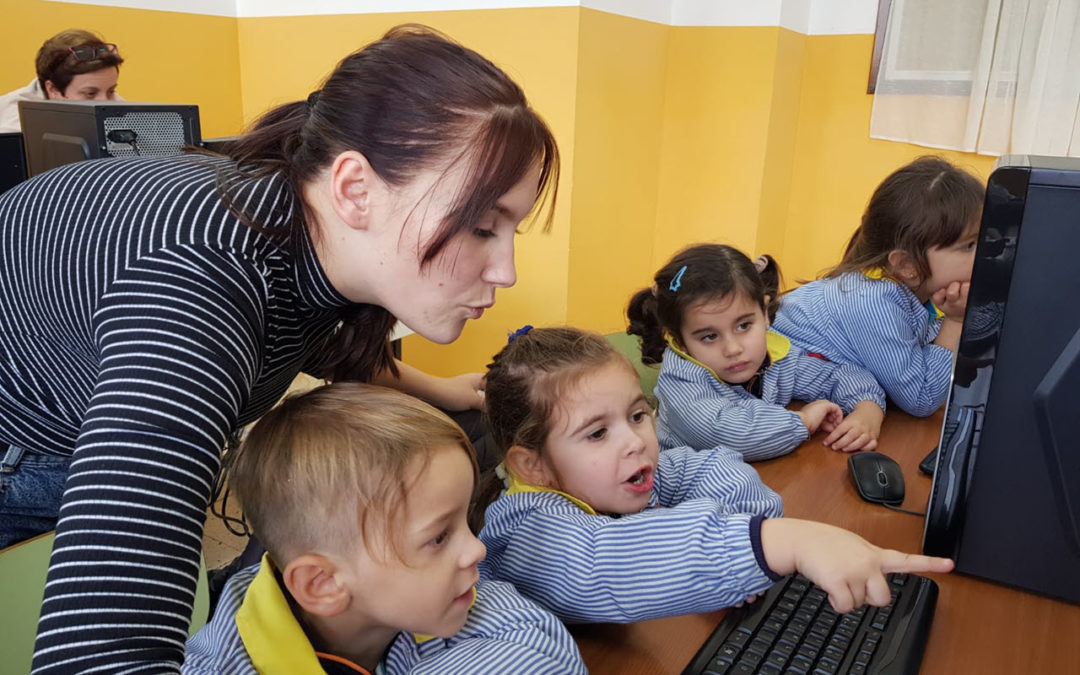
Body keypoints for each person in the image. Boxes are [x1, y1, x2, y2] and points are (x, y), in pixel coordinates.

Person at [0, 25, 559, 673]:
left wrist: (440, 389)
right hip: (26, 438)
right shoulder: (197, 288)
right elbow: (97, 649)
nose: (506, 270)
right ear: (355, 190)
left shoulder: (300, 228)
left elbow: (301, 328)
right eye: (482, 226)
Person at [476, 326, 953, 625]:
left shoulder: (628, 476)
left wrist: (739, 555)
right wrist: (778, 545)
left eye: (638, 416)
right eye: (598, 433)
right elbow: (611, 563)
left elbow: (712, 467)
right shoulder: (528, 528)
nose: (634, 441)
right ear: (532, 465)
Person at [183, 383, 587, 674]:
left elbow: (543, 649)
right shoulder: (222, 663)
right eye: (439, 537)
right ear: (324, 584)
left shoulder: (453, 598)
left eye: (463, 523)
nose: (476, 550)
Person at [627, 244, 887, 459]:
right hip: (683, 498)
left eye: (743, 325)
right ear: (681, 342)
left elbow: (837, 374)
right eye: (709, 336)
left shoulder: (775, 356)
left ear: (764, 313)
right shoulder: (681, 381)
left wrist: (867, 408)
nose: (733, 348)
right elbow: (731, 433)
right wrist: (803, 420)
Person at [772, 156, 984, 417]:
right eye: (969, 245)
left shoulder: (912, 289)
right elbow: (921, 397)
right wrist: (956, 320)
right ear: (907, 265)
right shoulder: (873, 301)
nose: (985, 254)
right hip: (757, 390)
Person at [0, 29, 123, 133]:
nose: (105, 103)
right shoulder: (14, 127)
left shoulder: (110, 99)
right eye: (90, 94)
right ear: (53, 90)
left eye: (111, 91)